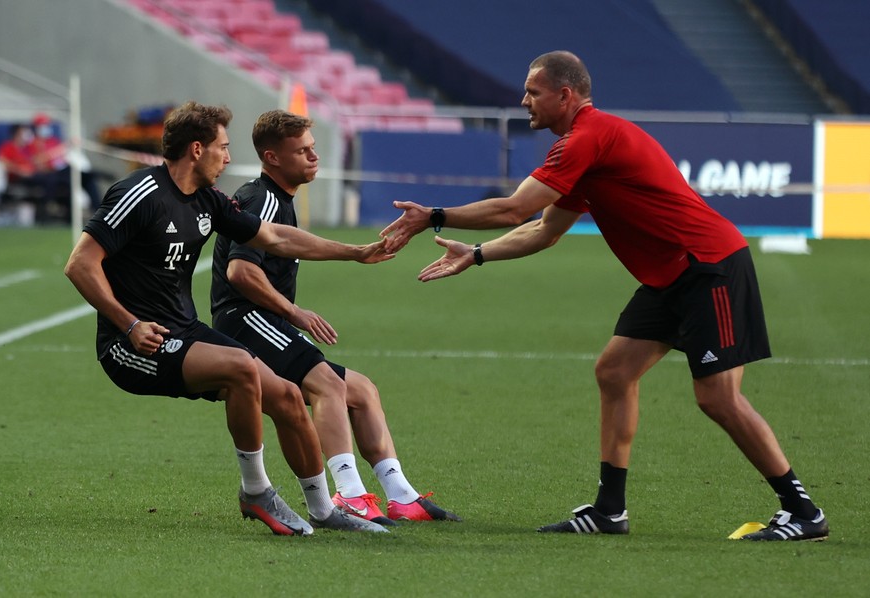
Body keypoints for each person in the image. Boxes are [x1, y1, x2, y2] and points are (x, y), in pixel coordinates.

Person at [380, 51, 827, 542]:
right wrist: (479, 254)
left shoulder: (587, 137)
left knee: (718, 398)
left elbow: (513, 209)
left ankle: (803, 511)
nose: (524, 100)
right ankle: (609, 511)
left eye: (533, 92)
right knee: (615, 371)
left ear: (564, 95)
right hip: (670, 277)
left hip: (708, 266)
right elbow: (544, 230)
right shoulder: (585, 146)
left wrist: (434, 215)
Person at [64, 100, 394, 537]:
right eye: (223, 146)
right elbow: (80, 264)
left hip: (183, 331)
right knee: (242, 368)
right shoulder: (139, 193)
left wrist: (354, 253)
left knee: (289, 398)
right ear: (197, 149)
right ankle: (256, 491)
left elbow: (273, 235)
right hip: (131, 345)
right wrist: (129, 324)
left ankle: (324, 510)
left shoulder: (208, 201)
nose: (229, 156)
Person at [210, 110, 461, 524]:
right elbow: (240, 271)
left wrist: (356, 253)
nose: (314, 157)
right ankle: (350, 496)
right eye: (302, 151)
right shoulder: (262, 198)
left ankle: (402, 496)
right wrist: (295, 312)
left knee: (361, 390)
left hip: (267, 320)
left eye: (313, 148)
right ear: (272, 157)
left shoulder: (277, 198)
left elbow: (300, 244)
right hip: (245, 318)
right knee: (328, 384)